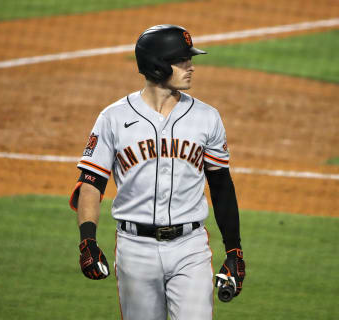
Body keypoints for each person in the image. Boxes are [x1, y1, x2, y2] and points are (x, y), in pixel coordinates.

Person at [69, 24, 245, 320]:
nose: (191, 67)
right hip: (134, 250)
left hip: (190, 248)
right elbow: (91, 182)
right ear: (157, 65)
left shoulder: (207, 117)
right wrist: (88, 240)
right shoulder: (113, 118)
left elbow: (221, 186)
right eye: (182, 60)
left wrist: (234, 251)